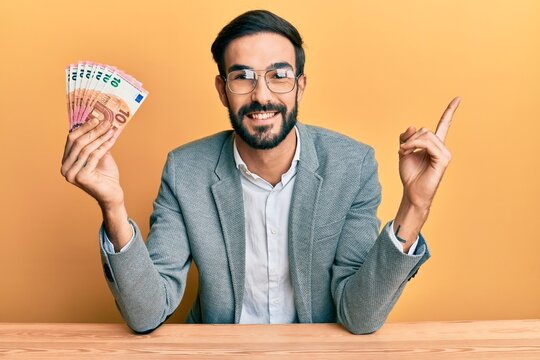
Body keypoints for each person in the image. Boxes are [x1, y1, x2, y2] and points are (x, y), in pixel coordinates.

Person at [60, 10, 460, 334]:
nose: (262, 95)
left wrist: (415, 205)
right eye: (243, 77)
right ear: (222, 89)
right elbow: (147, 313)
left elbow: (359, 316)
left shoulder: (351, 165)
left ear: (300, 86)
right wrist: (113, 207)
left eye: (278, 75)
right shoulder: (186, 170)